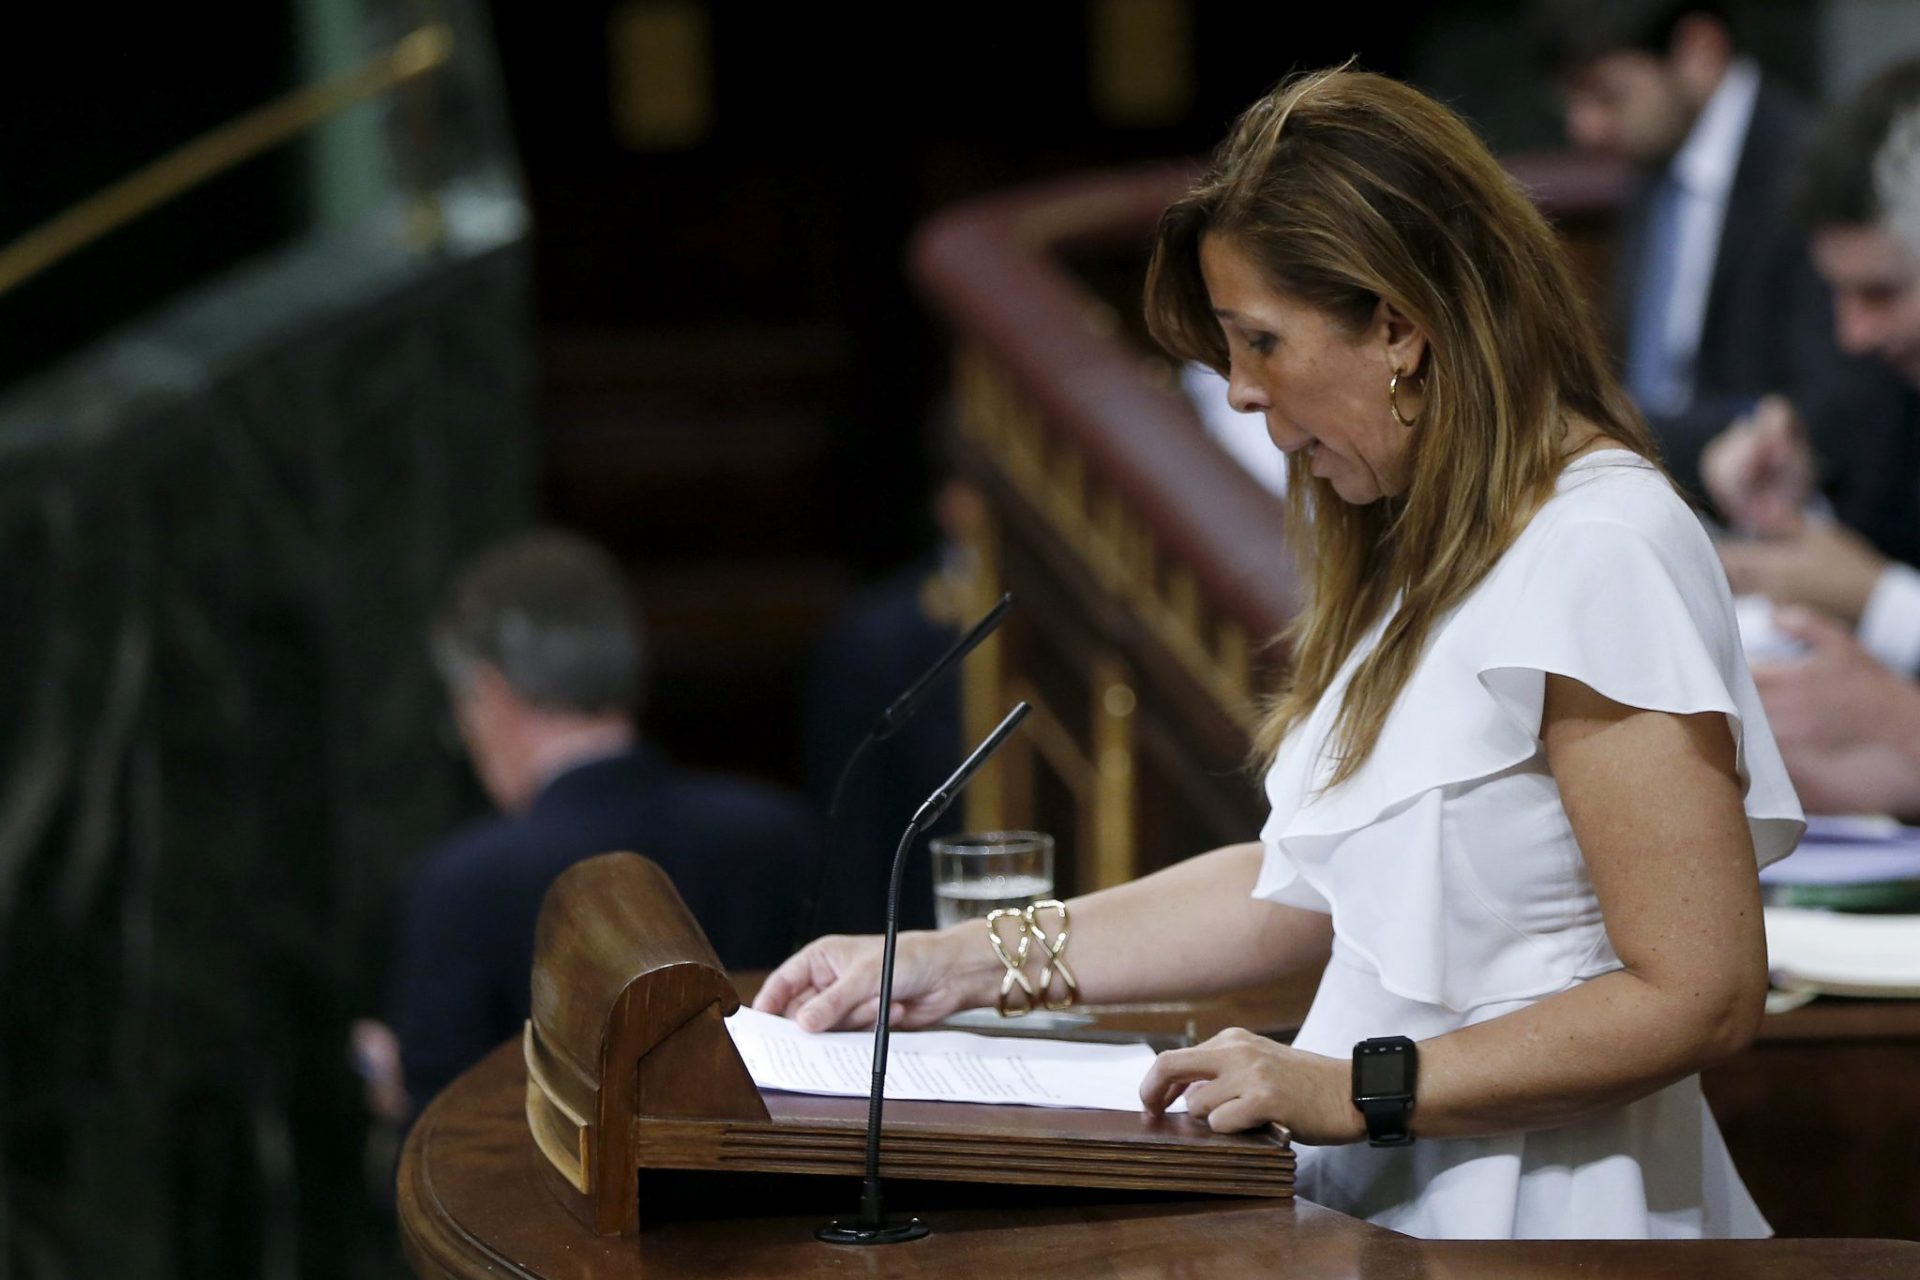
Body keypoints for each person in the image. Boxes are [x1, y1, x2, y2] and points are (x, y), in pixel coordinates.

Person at [755, 68, 1802, 1240]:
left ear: (1401, 325)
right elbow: (1304, 890)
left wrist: (1361, 1086)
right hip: (1394, 1197)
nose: (1241, 392)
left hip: (1555, 1221)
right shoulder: (1427, 539)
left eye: (1260, 340)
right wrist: (957, 962)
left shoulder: (1604, 545)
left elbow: (1701, 993)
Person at [382, 529, 820, 1113]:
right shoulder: (778, 834)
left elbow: (443, 1142)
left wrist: (401, 1090)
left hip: (559, 1202)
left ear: (491, 694)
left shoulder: (459, 886)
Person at [1531, 1, 1908, 504]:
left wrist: (1616, 424)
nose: (1586, 127)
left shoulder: (1813, 169)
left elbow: (1834, 407)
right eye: (1572, 101)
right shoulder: (1655, 165)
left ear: (1699, 51)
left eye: (1607, 95)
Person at [1705, 59, 1920, 813]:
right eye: (1839, 293)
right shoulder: (1886, 395)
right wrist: (1799, 509)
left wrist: (1901, 718)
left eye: (1881, 293)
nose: (1852, 333)